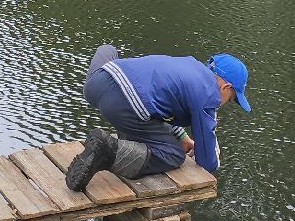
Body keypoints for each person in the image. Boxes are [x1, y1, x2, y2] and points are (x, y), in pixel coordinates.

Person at [66, 44, 249, 190]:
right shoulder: (209, 96)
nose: (225, 103)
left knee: (108, 50)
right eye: (232, 99)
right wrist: (204, 149)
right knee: (173, 154)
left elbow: (162, 105)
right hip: (123, 105)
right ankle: (106, 152)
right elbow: (208, 162)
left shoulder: (189, 66)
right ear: (225, 88)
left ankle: (116, 145)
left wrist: (183, 137)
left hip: (97, 83)